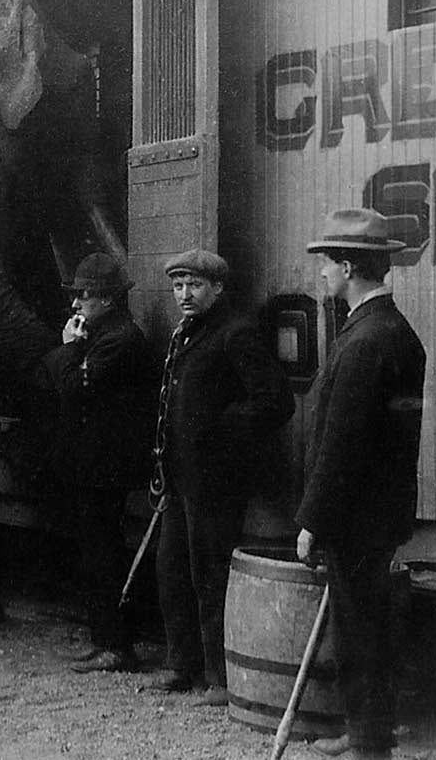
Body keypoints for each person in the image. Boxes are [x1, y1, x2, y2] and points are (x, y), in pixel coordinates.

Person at [296, 208, 426, 760]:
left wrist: (310, 522)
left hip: (357, 518)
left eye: (327, 263)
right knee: (364, 626)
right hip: (379, 513)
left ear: (349, 267)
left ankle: (370, 744)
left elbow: (341, 448)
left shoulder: (367, 340)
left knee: (360, 631)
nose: (321, 273)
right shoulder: (391, 332)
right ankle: (367, 732)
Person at [145, 248, 292, 707]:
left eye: (194, 286)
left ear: (218, 289)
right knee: (171, 572)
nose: (184, 295)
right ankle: (181, 665)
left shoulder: (237, 333)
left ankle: (218, 677)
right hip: (180, 480)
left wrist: (218, 430)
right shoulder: (186, 334)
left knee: (210, 577)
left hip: (216, 483)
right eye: (178, 286)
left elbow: (275, 402)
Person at [38, 253, 157, 674]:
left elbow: (73, 387)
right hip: (93, 464)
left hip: (104, 467)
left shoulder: (120, 340)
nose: (75, 305)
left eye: (83, 296)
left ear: (107, 299)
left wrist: (68, 348)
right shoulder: (104, 336)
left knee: (103, 553)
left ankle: (115, 645)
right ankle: (105, 640)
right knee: (95, 552)